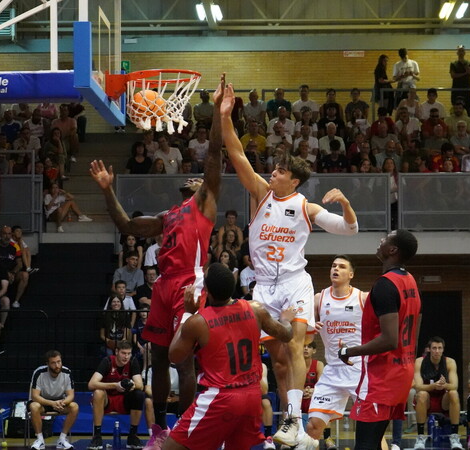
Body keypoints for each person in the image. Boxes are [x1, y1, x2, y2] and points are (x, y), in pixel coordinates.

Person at [90, 74, 227, 448]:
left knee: (184, 360)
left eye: (203, 180)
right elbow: (125, 224)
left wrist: (217, 112)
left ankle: (185, 430)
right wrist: (107, 190)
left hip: (189, 281)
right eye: (195, 181)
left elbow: (214, 153)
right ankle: (159, 430)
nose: (200, 180)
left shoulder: (205, 206)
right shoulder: (170, 214)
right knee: (159, 358)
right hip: (164, 283)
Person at [220, 81, 359, 447]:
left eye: (279, 171)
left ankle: (294, 419)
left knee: (297, 346)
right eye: (274, 169)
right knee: (279, 361)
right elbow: (236, 153)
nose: (272, 173)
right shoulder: (259, 195)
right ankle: (290, 422)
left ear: (293, 180)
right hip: (264, 287)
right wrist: (225, 116)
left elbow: (348, 230)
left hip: (296, 281)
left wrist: (344, 203)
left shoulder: (305, 207)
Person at [163, 263, 295, 450]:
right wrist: (286, 319)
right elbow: (286, 334)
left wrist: (186, 312)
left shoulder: (198, 321)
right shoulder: (255, 309)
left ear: (206, 290)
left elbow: (174, 356)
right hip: (251, 396)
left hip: (220, 397)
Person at [339, 230, 421, 450]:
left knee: (365, 444)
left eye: (386, 239)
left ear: (392, 250)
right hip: (402, 370)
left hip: (382, 377)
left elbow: (389, 340)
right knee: (374, 442)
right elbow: (414, 326)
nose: (380, 241)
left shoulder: (385, 285)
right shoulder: (410, 280)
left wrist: (349, 351)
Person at [304, 255, 367, 450]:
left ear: (351, 274)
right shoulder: (319, 298)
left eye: (341, 266)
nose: (335, 269)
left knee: (370, 431)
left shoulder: (362, 297)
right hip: (332, 371)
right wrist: (311, 328)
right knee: (313, 425)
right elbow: (306, 341)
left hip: (359, 370)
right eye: (333, 266)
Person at [87, 340, 150, 449]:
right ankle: (97, 436)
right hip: (108, 400)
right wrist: (115, 385)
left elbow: (140, 385)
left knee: (139, 394)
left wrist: (131, 385)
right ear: (116, 352)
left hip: (125, 400)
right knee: (97, 392)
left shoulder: (133, 361)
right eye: (123, 353)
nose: (126, 356)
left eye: (129, 353)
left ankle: (132, 436)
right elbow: (91, 384)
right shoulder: (107, 361)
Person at [413, 336, 463, 450]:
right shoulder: (419, 362)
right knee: (421, 394)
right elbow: (418, 386)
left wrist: (443, 385)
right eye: (434, 348)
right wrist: (433, 386)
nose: (437, 351)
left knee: (454, 393)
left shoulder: (450, 362)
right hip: (427, 399)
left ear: (443, 349)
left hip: (443, 399)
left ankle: (454, 437)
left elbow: (455, 385)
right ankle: (420, 436)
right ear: (429, 349)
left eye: (439, 348)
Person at [29, 350, 79, 450]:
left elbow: (71, 395)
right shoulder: (39, 372)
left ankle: (62, 439)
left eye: (59, 362)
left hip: (60, 402)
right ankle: (40, 440)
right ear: (47, 364)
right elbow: (35, 396)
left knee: (74, 406)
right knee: (34, 406)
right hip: (43, 402)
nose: (57, 365)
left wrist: (63, 402)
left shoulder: (67, 372)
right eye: (53, 363)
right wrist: (52, 403)